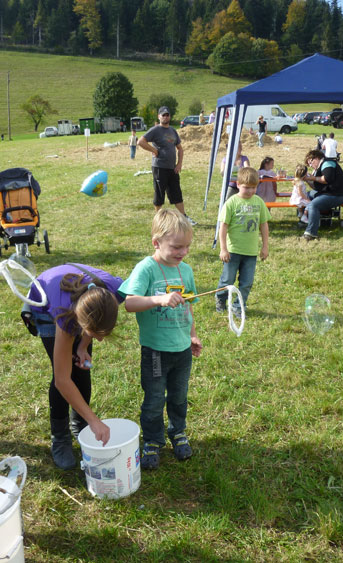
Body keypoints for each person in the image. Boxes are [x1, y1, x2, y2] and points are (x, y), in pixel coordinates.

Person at [119, 209, 202, 470]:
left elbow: (188, 306)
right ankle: (152, 440)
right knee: (154, 399)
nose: (182, 252)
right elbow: (130, 303)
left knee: (179, 396)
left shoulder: (185, 270)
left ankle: (178, 432)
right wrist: (159, 299)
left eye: (187, 247)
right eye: (176, 247)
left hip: (181, 350)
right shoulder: (146, 268)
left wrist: (192, 335)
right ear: (156, 243)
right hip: (155, 350)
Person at [25, 264, 125, 469]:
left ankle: (80, 424)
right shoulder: (65, 316)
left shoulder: (114, 291)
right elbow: (62, 380)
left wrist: (82, 346)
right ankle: (60, 436)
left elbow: (94, 322)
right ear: (79, 322)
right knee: (62, 371)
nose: (101, 340)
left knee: (81, 367)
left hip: (79, 299)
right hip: (44, 301)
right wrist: (95, 420)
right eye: (93, 333)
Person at [216, 167, 270, 313]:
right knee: (227, 279)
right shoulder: (231, 203)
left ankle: (239, 305)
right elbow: (223, 227)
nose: (251, 191)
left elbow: (263, 225)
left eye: (254, 188)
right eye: (247, 187)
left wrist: (265, 246)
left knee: (247, 282)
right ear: (238, 184)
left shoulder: (258, 202)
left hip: (250, 252)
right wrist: (223, 248)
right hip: (233, 251)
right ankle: (221, 298)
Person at [137, 106, 196, 225]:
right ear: (159, 116)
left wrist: (179, 164)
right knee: (159, 193)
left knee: (176, 193)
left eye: (167, 115)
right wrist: (154, 150)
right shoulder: (155, 130)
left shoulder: (173, 131)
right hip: (159, 167)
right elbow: (141, 142)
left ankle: (184, 218)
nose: (165, 117)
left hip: (172, 168)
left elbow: (180, 148)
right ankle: (159, 220)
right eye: (163, 115)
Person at [301, 149, 343, 242]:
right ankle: (305, 220)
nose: (311, 165)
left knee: (314, 205)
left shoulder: (328, 163)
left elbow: (327, 178)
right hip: (328, 193)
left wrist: (313, 177)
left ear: (317, 157)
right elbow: (316, 187)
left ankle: (311, 233)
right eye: (309, 164)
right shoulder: (319, 167)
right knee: (305, 196)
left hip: (337, 195)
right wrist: (307, 180)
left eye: (311, 162)